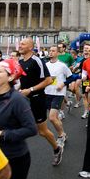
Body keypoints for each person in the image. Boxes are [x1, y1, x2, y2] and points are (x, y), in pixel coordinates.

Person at [0, 58, 62, 179]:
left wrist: (3, 134)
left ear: (10, 77)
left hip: (15, 158)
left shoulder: (17, 100)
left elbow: (31, 129)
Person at [19, 37, 63, 166]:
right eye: (20, 43)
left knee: (42, 131)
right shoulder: (20, 62)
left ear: (30, 47)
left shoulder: (37, 60)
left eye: (23, 43)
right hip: (23, 101)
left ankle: (56, 149)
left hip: (37, 99)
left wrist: (30, 89)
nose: (20, 45)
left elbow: (48, 80)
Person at [45, 45, 73, 148]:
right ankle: (62, 133)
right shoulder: (45, 65)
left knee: (52, 118)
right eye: (50, 50)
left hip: (58, 93)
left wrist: (63, 84)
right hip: (47, 92)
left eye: (53, 51)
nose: (51, 52)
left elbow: (71, 77)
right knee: (55, 118)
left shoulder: (62, 65)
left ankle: (61, 135)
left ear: (57, 53)